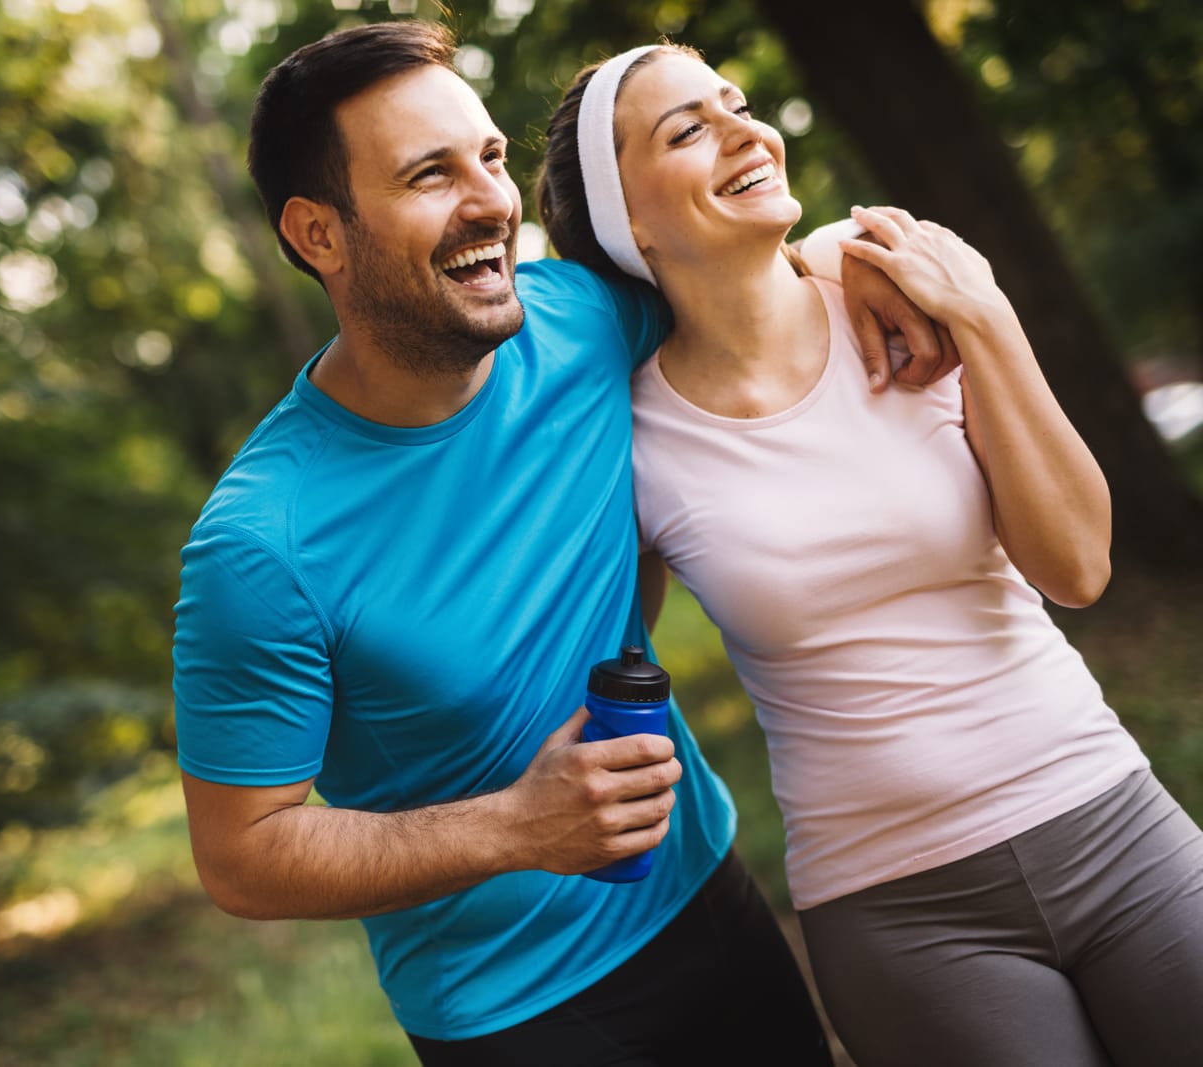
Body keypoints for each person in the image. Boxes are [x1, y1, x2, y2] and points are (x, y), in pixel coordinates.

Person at [172, 21, 948, 1064]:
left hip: (705, 892)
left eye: (489, 156)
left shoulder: (581, 320)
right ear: (319, 234)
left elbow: (729, 270)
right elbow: (245, 856)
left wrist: (857, 274)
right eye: (428, 174)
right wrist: (514, 827)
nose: (490, 198)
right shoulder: (261, 544)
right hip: (512, 1010)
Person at [538, 40, 1203, 1067]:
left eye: (736, 103)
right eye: (686, 129)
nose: (743, 131)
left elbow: (1075, 565)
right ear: (625, 223)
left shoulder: (907, 291)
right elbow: (586, 647)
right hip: (900, 913)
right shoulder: (630, 439)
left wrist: (978, 312)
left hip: (1111, 823)